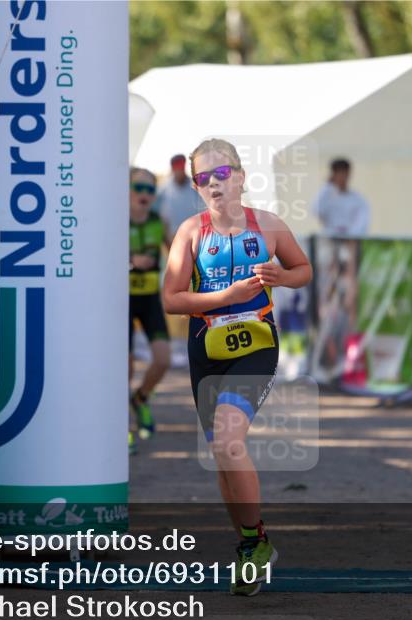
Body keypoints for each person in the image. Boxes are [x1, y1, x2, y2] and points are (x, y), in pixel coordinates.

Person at [162, 138, 312, 596]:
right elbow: (171, 299)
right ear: (195, 186)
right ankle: (252, 544)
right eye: (203, 178)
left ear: (241, 177)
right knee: (221, 453)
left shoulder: (268, 225)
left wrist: (282, 277)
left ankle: (255, 543)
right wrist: (224, 297)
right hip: (206, 348)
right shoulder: (190, 231)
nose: (214, 184)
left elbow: (303, 270)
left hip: (256, 344)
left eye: (222, 174)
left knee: (229, 441)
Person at [128, 167, 172, 446]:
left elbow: (179, 252)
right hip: (121, 301)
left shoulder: (160, 222)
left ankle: (141, 398)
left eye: (150, 189)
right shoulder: (116, 220)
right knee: (125, 367)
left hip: (150, 298)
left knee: (163, 360)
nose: (144, 195)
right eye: (139, 188)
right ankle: (122, 431)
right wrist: (130, 262)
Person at [312, 158, 370, 236]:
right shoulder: (327, 196)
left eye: (344, 172)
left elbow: (362, 222)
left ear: (348, 174)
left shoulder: (358, 199)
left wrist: (351, 237)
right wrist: (327, 186)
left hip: (351, 240)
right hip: (330, 239)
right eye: (338, 173)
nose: (341, 176)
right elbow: (316, 210)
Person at [154, 154, 205, 238]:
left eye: (181, 167)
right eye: (176, 167)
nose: (179, 171)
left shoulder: (196, 186)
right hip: (172, 237)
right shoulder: (164, 188)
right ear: (172, 169)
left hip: (195, 236)